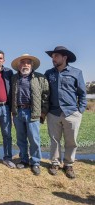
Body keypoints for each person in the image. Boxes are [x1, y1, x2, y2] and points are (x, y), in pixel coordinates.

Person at [44, 46, 87, 179]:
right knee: (54, 140)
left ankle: (68, 165)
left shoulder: (76, 72)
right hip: (53, 113)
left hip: (72, 112)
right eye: (52, 56)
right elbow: (45, 93)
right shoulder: (48, 73)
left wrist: (80, 110)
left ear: (64, 57)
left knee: (71, 141)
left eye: (56, 56)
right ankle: (55, 163)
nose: (53, 58)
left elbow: (82, 94)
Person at [11, 54, 49, 176]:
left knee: (34, 139)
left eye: (28, 62)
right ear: (18, 65)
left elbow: (46, 96)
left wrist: (43, 112)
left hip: (33, 112)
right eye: (23, 62)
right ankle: (24, 159)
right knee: (21, 139)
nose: (25, 64)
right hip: (18, 112)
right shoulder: (14, 78)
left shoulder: (40, 78)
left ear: (32, 65)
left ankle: (36, 162)